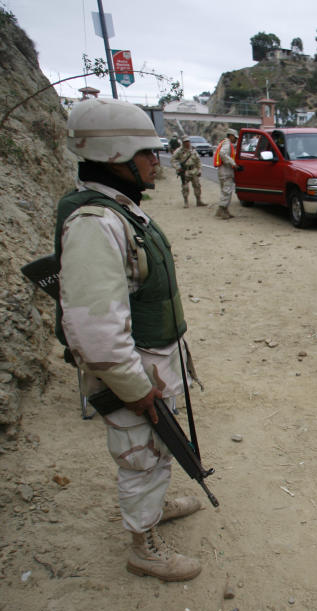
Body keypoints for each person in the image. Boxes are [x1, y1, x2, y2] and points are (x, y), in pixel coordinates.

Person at [57, 98, 203, 581]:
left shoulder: (119, 211)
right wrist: (136, 390)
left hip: (151, 364)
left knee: (157, 449)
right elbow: (95, 332)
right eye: (146, 153)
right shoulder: (96, 225)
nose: (155, 161)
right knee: (141, 456)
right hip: (133, 375)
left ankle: (153, 511)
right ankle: (144, 547)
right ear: (116, 156)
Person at [170, 136, 207, 208]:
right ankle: (186, 202)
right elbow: (173, 160)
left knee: (197, 186)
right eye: (185, 142)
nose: (187, 143)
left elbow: (198, 161)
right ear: (183, 142)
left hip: (194, 170)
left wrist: (199, 170)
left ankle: (199, 201)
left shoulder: (193, 150)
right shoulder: (179, 151)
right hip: (184, 171)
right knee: (185, 187)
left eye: (188, 141)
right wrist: (178, 168)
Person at [213, 128, 239, 219]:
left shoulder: (225, 142)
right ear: (231, 136)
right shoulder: (227, 143)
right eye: (235, 137)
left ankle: (225, 211)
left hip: (223, 171)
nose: (236, 139)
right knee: (226, 191)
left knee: (225, 191)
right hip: (226, 171)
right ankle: (222, 210)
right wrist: (233, 164)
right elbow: (223, 154)